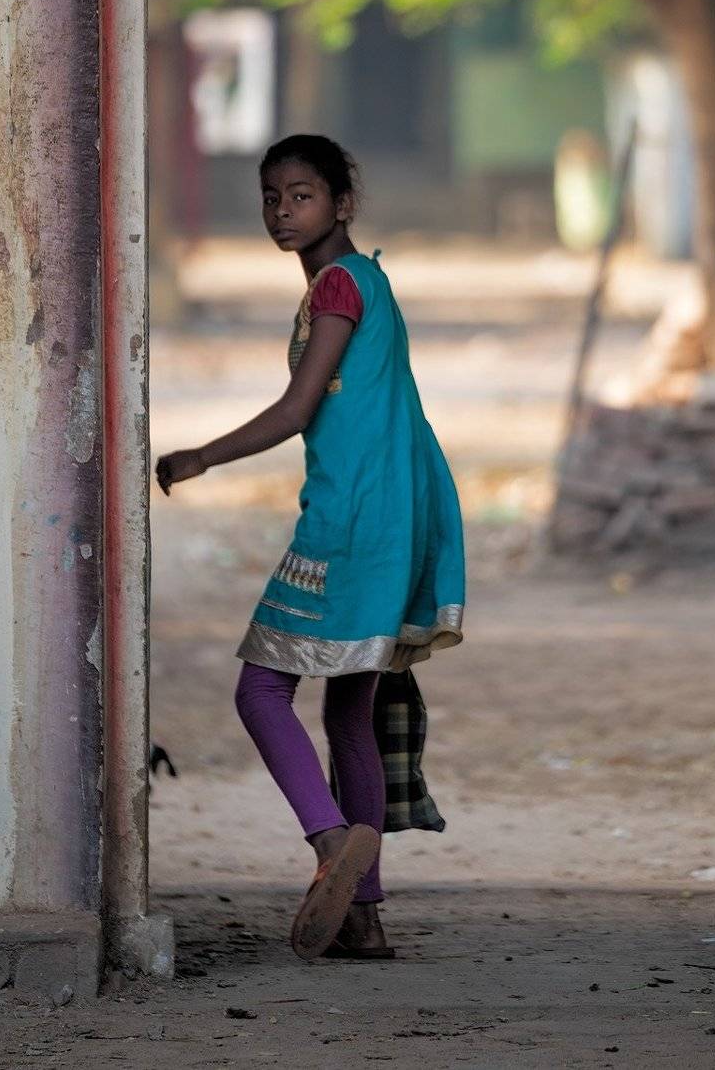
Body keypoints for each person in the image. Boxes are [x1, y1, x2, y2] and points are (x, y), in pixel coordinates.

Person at [155, 133, 465, 962]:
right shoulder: (369, 279)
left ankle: (331, 844)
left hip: (349, 518)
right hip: (396, 513)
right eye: (270, 198)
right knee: (347, 713)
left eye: (300, 196)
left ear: (342, 202)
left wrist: (199, 455)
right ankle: (362, 918)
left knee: (260, 690)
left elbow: (297, 409)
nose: (282, 212)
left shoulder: (337, 284)